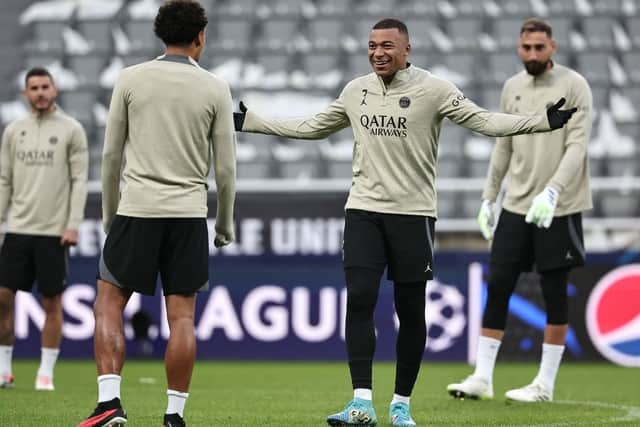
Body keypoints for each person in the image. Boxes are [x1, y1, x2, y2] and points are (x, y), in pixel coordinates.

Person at [233, 17, 577, 427]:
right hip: (363, 211)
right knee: (359, 297)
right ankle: (361, 402)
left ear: (406, 49)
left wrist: (540, 121)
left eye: (387, 46)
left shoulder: (435, 90)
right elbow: (312, 127)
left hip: (413, 215)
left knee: (410, 310)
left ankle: (401, 405)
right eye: (372, 45)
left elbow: (485, 121)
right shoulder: (355, 91)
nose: (378, 52)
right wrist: (252, 121)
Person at [77, 1, 236, 426]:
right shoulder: (216, 87)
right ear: (200, 36)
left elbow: (110, 155)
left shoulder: (130, 79)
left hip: (138, 209)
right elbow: (225, 167)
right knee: (181, 317)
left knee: (109, 305)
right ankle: (174, 415)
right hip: (187, 215)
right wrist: (224, 223)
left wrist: (111, 216)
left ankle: (109, 404)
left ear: (160, 35)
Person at [446, 18, 592, 403]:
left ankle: (544, 384)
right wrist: (488, 196)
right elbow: (503, 145)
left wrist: (554, 192)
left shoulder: (574, 85)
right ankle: (482, 377)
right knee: (498, 287)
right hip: (515, 203)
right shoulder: (512, 86)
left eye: (539, 47)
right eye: (526, 47)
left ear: (553, 47)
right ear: (518, 47)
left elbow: (577, 146)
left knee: (554, 291)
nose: (532, 54)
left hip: (558, 207)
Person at [0, 67, 88, 392]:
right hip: (18, 228)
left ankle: (45, 373)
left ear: (55, 89)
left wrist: (73, 224)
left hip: (53, 231)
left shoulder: (71, 130)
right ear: (25, 93)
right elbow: (4, 179)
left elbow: (80, 181)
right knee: (2, 298)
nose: (39, 92)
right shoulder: (14, 131)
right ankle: (4, 368)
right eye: (33, 87)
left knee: (52, 302)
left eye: (44, 87)